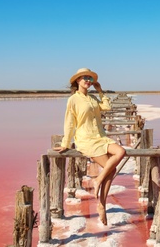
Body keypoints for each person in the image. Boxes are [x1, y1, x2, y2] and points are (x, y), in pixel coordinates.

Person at [53, 67, 126, 225]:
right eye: (84, 78)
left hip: (101, 137)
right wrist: (66, 143)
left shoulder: (93, 99)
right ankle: (102, 205)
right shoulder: (73, 100)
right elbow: (69, 123)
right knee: (111, 170)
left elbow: (107, 107)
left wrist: (100, 91)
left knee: (121, 151)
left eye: (90, 79)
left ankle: (98, 180)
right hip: (86, 140)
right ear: (77, 81)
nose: (88, 80)